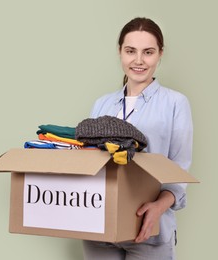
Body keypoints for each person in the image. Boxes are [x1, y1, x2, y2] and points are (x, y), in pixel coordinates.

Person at [82, 17, 193, 260]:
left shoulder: (175, 103)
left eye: (148, 52)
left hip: (150, 230)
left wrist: (158, 207)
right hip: (99, 229)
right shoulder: (102, 104)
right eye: (130, 51)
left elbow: (179, 168)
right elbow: (89, 161)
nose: (139, 60)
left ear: (160, 54)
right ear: (120, 52)